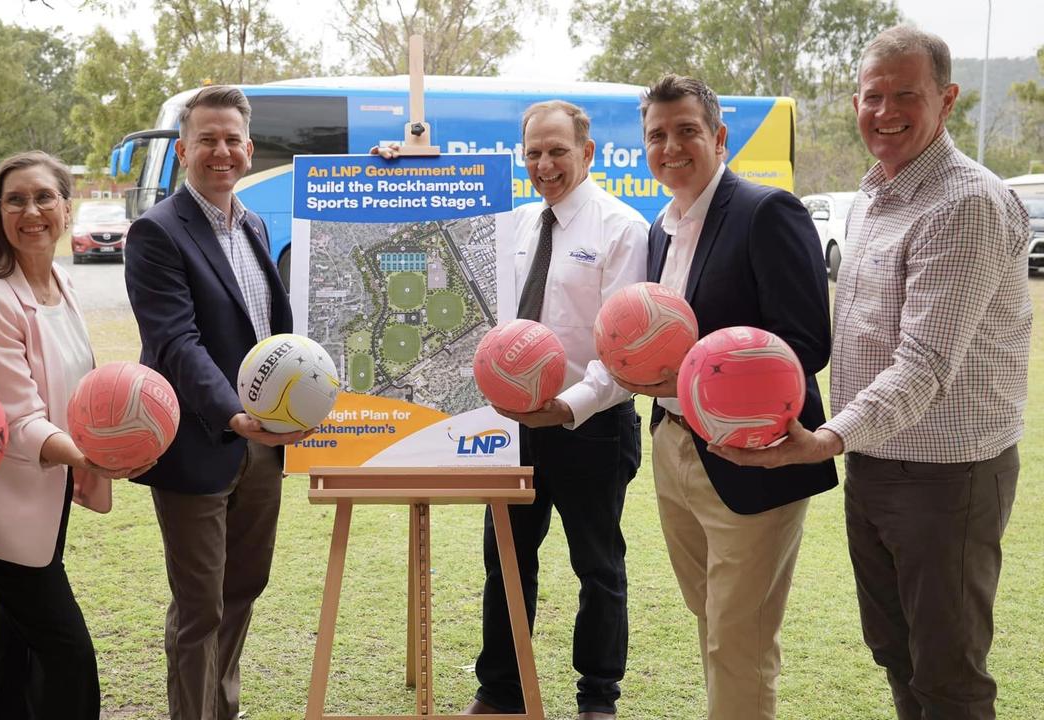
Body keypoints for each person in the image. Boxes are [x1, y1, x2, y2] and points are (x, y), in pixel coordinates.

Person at [713, 27, 1032, 720]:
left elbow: (922, 364)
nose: (885, 112)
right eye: (872, 96)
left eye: (905, 95)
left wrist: (825, 438)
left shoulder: (964, 203)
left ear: (946, 100)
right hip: (878, 462)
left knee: (947, 673)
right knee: (896, 650)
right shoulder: (877, 194)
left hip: (948, 474)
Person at [385, 99, 648, 719]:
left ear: (586, 153)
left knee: (598, 566)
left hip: (591, 425)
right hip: (511, 432)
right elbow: (438, 234)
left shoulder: (621, 229)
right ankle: (500, 692)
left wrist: (569, 406)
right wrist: (396, 170)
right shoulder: (518, 224)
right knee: (504, 562)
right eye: (533, 152)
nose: (545, 163)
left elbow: (628, 353)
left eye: (558, 150)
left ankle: (596, 699)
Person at [613, 74, 838, 720]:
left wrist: (706, 376)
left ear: (719, 137)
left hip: (751, 459)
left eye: (686, 130)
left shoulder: (767, 211)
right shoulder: (660, 230)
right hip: (673, 448)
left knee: (737, 638)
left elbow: (805, 341)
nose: (671, 146)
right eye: (657, 135)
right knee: (711, 619)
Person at [0, 150, 144, 720]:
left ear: (66, 206)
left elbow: (78, 391)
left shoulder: (59, 283)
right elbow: (17, 419)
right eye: (16, 200)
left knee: (12, 649)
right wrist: (95, 457)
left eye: (44, 197)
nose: (32, 211)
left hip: (44, 504)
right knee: (67, 652)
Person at [124, 85, 306, 720]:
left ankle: (219, 708)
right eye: (207, 139)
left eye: (232, 139)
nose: (221, 151)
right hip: (200, 443)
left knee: (243, 589)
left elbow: (272, 335)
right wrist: (234, 413)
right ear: (183, 150)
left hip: (262, 449)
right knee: (200, 604)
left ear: (249, 150)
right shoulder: (155, 232)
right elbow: (175, 341)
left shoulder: (254, 224)